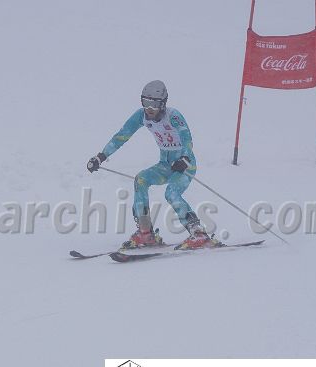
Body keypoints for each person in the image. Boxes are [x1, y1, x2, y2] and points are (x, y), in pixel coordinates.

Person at [87, 80, 218, 250]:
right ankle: (146, 233)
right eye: (146, 102)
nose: (149, 108)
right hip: (165, 165)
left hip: (185, 165)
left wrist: (185, 158)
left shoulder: (173, 116)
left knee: (171, 193)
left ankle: (198, 233)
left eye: (154, 104)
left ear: (163, 104)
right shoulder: (141, 116)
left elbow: (187, 138)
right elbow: (122, 135)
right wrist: (101, 156)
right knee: (141, 179)